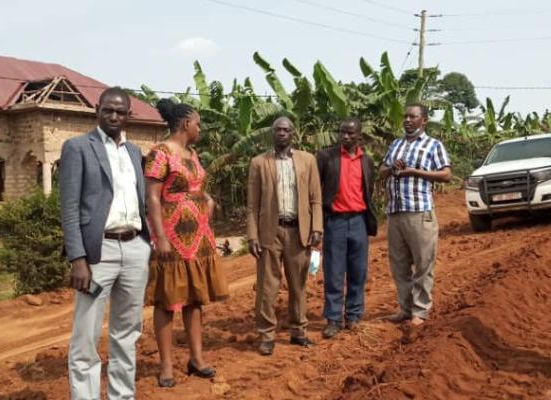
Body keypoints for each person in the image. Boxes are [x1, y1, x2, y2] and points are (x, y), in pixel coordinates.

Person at [60, 87, 151, 400]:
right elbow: (69, 206)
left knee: (127, 333)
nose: (114, 116)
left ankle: (121, 396)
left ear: (128, 115)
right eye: (108, 110)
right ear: (97, 110)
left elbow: (141, 202)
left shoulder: (134, 152)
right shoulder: (77, 147)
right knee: (86, 335)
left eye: (120, 111)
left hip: (135, 247)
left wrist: (146, 245)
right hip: (99, 253)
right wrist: (78, 258)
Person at [145, 99, 229, 388]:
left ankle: (197, 359)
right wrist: (161, 238)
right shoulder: (160, 153)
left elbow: (197, 187)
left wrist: (207, 199)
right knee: (168, 301)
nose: (200, 128)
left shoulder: (193, 154)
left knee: (195, 298)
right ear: (185, 124)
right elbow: (153, 198)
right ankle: (166, 365)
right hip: (172, 237)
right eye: (197, 123)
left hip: (199, 236)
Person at [246, 117, 323, 356]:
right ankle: (267, 335)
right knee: (267, 287)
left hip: (298, 231)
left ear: (293, 134)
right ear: (272, 133)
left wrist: (317, 228)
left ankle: (298, 332)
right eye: (278, 129)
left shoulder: (307, 161)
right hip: (270, 231)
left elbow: (315, 198)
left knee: (298, 285)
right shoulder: (259, 163)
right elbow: (251, 205)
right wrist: (252, 236)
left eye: (286, 129)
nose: (282, 133)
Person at [379, 103, 452, 327]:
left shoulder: (433, 145)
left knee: (423, 264)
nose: (408, 120)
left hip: (420, 212)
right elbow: (381, 172)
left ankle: (420, 311)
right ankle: (405, 307)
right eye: (406, 116)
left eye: (413, 116)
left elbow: (446, 174)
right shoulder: (396, 144)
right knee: (399, 265)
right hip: (396, 212)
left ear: (424, 121)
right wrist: (392, 168)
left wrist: (414, 172)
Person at [315, 118, 378, 339]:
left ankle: (353, 316)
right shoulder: (326, 157)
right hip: (335, 222)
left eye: (351, 133)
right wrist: (318, 223)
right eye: (342, 132)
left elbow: (368, 191)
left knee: (358, 272)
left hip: (359, 221)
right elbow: (316, 190)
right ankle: (333, 319)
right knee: (333, 272)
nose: (346, 136)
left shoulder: (367, 161)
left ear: (359, 135)